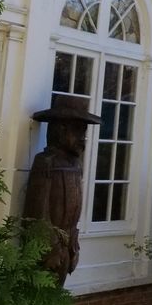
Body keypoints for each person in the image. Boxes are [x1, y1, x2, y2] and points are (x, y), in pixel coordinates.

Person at [23, 96, 101, 284]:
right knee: (40, 297)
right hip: (48, 250)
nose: (82, 138)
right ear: (59, 129)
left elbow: (75, 207)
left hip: (67, 246)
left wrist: (73, 242)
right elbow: (38, 212)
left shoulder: (75, 164)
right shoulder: (45, 162)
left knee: (56, 299)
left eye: (84, 132)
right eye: (77, 131)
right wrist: (49, 247)